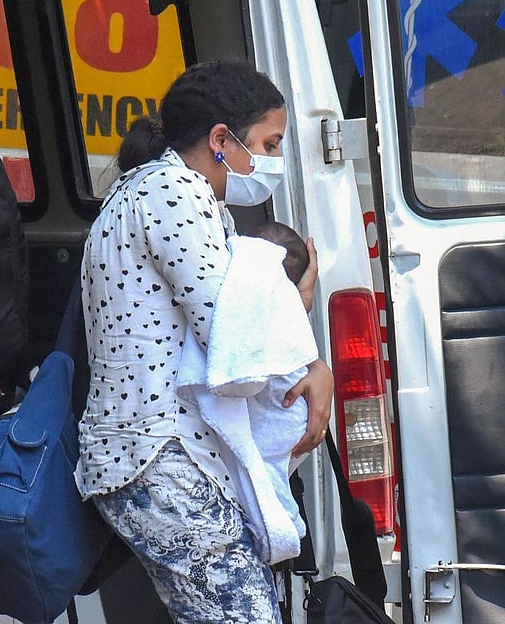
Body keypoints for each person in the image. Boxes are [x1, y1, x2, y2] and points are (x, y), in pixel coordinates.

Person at [75, 60, 333, 624]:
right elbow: (235, 343)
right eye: (268, 143)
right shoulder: (172, 192)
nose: (272, 160)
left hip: (157, 456)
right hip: (153, 457)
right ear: (221, 140)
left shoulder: (165, 192)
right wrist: (305, 333)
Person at [176, 219, 318, 566]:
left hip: (280, 414)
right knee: (269, 473)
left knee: (265, 472)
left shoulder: (242, 301)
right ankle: (280, 523)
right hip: (292, 415)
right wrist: (307, 289)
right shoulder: (290, 304)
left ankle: (280, 524)